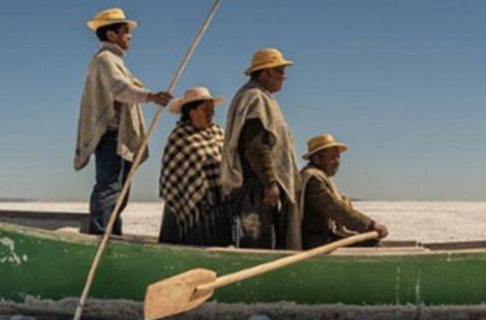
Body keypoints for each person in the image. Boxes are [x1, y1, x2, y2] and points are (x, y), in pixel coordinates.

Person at [74, 8, 172, 235]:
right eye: (125, 32)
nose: (130, 36)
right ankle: (100, 237)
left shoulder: (115, 61)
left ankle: (111, 235)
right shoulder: (105, 60)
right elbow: (120, 90)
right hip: (111, 137)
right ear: (111, 35)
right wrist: (150, 96)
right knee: (110, 189)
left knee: (119, 192)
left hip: (118, 139)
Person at [220, 48, 302, 250]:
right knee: (258, 245)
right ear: (266, 72)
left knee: (265, 241)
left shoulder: (259, 97)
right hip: (257, 189)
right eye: (280, 71)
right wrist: (270, 181)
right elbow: (256, 146)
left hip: (260, 186)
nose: (284, 77)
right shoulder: (255, 99)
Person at [158, 86, 231, 245]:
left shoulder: (219, 133)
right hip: (189, 204)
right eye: (205, 108)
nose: (210, 112)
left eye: (211, 108)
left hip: (219, 202)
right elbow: (173, 175)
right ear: (191, 111)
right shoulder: (180, 137)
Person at [298, 134, 389, 249]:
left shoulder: (319, 176)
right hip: (316, 242)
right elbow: (336, 209)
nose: (337, 162)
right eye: (332, 157)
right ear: (316, 158)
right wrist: (370, 225)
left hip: (325, 237)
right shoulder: (313, 179)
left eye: (338, 157)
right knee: (373, 245)